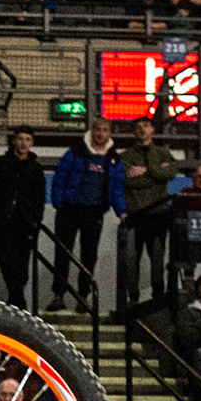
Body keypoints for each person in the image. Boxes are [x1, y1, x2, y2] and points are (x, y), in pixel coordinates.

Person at [47, 118, 124, 313]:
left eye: (105, 130)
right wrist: (59, 203)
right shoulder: (75, 152)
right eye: (97, 129)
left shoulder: (113, 158)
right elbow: (60, 178)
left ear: (109, 134)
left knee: (89, 256)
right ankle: (58, 295)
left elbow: (116, 188)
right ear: (92, 130)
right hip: (70, 208)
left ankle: (83, 296)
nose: (100, 133)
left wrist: (121, 211)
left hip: (94, 210)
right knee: (63, 253)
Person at [0, 126, 45, 304]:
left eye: (27, 139)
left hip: (25, 225)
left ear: (32, 143)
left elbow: (39, 199)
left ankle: (16, 303)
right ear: (14, 140)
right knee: (9, 266)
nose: (23, 143)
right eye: (21, 139)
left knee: (22, 270)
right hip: (1, 224)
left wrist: (35, 223)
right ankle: (19, 304)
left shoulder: (35, 168)